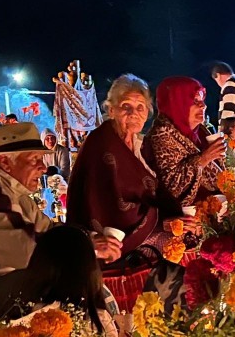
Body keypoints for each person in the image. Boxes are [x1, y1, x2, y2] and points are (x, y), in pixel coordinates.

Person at [0, 123, 121, 332]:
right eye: (34, 159)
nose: (43, 168)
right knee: (67, 276)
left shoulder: (13, 192)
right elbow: (33, 252)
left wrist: (91, 238)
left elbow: (51, 231)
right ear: (5, 162)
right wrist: (90, 248)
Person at [67, 74, 200, 312]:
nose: (134, 114)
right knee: (181, 254)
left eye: (140, 107)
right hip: (114, 235)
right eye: (125, 107)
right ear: (112, 111)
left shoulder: (137, 142)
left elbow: (151, 191)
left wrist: (172, 218)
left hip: (140, 224)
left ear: (148, 111)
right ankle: (171, 316)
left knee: (193, 236)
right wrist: (163, 222)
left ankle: (182, 316)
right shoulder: (102, 143)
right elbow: (113, 206)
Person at [142, 76, 226, 217]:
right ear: (177, 104)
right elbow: (172, 189)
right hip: (182, 220)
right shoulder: (162, 135)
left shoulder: (201, 131)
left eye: (202, 101)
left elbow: (218, 174)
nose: (203, 106)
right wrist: (203, 159)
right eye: (195, 101)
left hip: (216, 210)